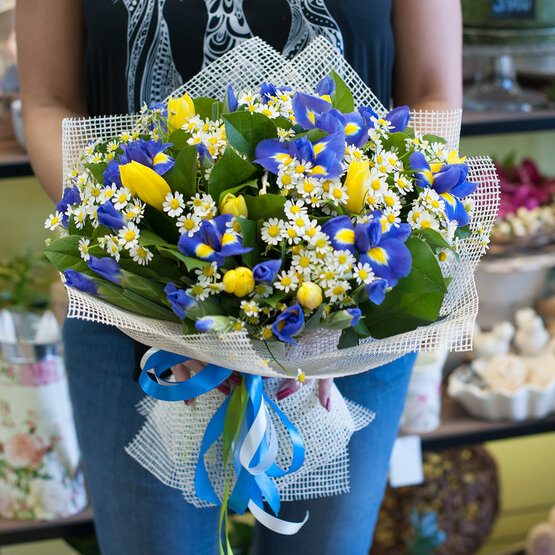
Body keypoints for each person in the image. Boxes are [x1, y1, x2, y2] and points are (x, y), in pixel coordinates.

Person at [16, 2, 462, 554]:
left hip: (354, 322)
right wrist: (159, 283)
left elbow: (432, 92)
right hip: (131, 311)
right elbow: (48, 102)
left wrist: (328, 297)